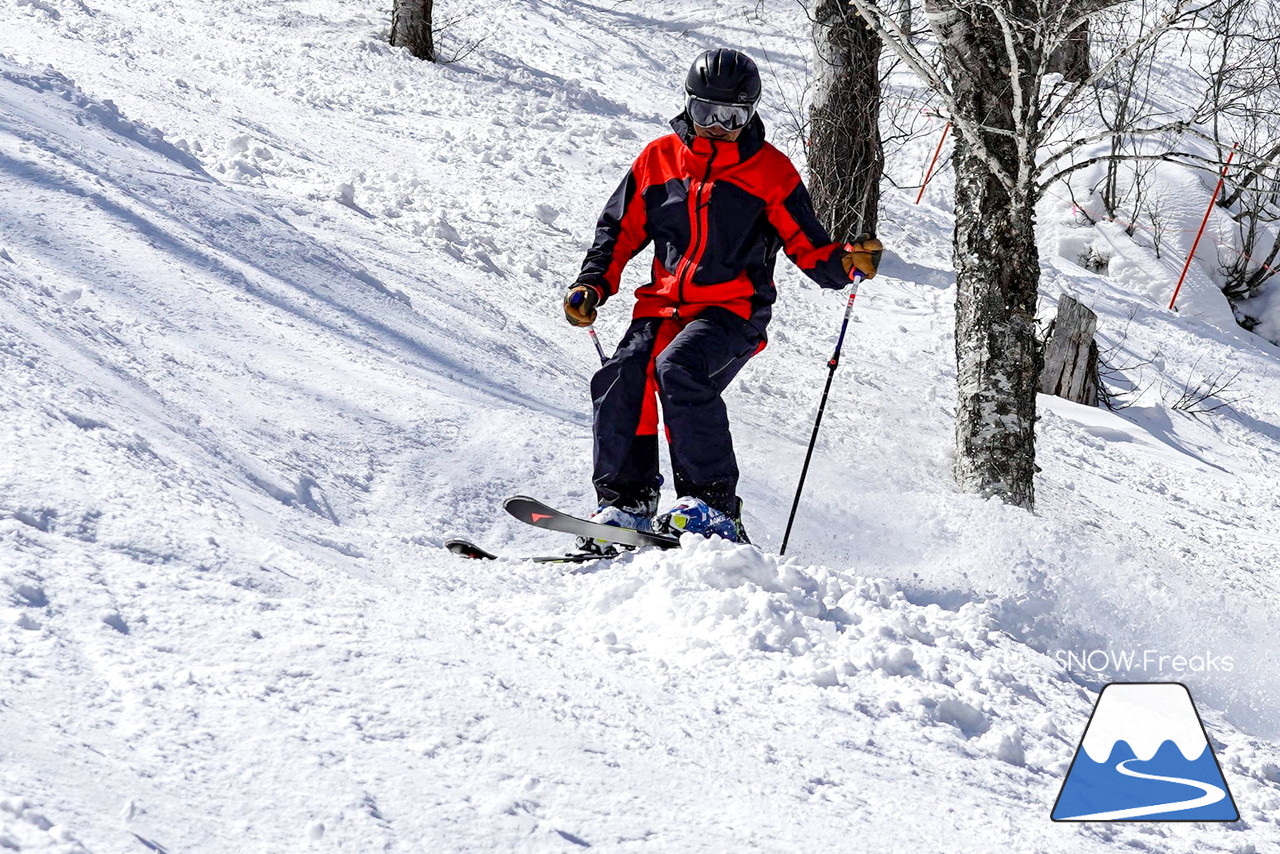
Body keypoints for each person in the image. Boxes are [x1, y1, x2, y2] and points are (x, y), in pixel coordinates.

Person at [563, 48, 882, 549]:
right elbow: (618, 232)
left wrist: (846, 263)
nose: (717, 126)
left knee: (679, 370)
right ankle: (627, 503)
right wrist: (593, 283)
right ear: (688, 106)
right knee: (622, 374)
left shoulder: (770, 171)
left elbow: (808, 246)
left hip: (732, 311)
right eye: (706, 113)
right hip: (661, 307)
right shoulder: (657, 159)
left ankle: (712, 507)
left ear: (751, 114)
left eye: (732, 116)